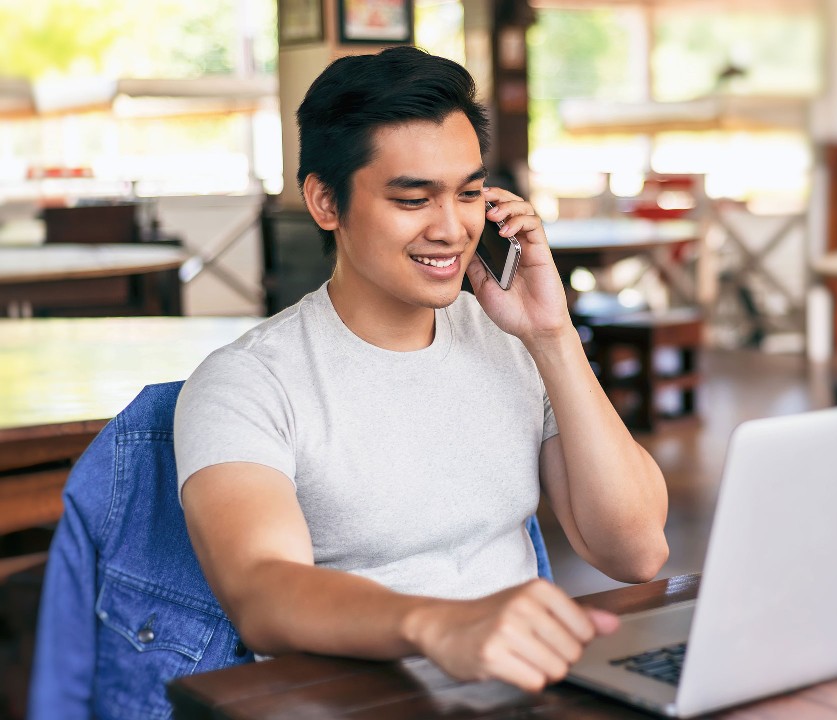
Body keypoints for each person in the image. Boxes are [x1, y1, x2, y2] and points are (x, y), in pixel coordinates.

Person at [175, 46, 669, 693]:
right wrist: (441, 626)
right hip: (350, 703)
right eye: (414, 199)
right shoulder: (247, 381)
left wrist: (552, 337)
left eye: (468, 194)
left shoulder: (511, 343)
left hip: (517, 692)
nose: (451, 229)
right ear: (325, 202)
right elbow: (261, 592)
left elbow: (635, 551)